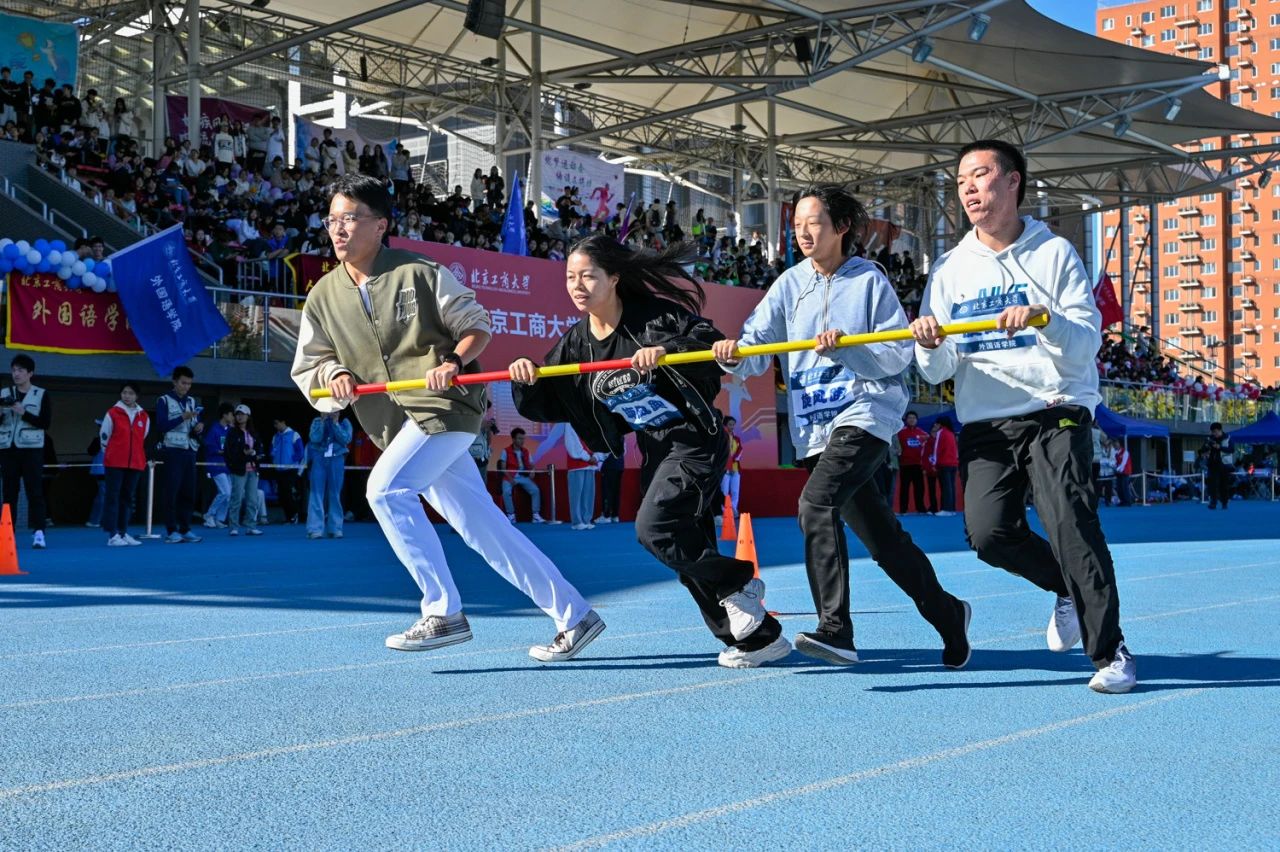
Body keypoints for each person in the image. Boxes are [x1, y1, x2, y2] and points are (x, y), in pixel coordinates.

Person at [292, 173, 604, 661]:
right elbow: (309, 364)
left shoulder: (419, 270)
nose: (338, 229)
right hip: (392, 425)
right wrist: (333, 372)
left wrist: (452, 362)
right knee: (484, 528)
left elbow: (475, 325)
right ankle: (575, 614)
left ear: (380, 225)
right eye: (332, 220)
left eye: (350, 218)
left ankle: (443, 611)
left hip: (445, 409)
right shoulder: (322, 296)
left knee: (385, 490)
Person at [908, 138, 1135, 693]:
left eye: (980, 175)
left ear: (1012, 182)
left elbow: (1084, 345)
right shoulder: (950, 268)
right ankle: (1065, 588)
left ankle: (1109, 652)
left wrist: (1042, 319)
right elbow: (938, 368)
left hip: (1054, 409)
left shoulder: (1053, 253)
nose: (967, 188)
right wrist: (928, 342)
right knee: (988, 535)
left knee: (1069, 523)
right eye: (960, 179)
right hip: (986, 420)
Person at [713, 185, 969, 669]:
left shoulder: (869, 280)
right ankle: (948, 612)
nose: (803, 232)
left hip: (866, 413)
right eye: (797, 225)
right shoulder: (788, 285)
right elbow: (756, 344)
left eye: (813, 222)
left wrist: (848, 346)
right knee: (885, 541)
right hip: (814, 427)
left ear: (841, 227)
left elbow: (897, 356)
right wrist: (735, 354)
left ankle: (836, 629)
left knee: (814, 504)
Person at [511, 234, 787, 669]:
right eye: (570, 277)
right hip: (655, 448)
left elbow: (706, 342)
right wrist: (525, 379)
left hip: (695, 438)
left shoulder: (653, 318)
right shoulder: (576, 342)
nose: (577, 285)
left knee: (653, 529)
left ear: (614, 278)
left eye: (588, 276)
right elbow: (548, 400)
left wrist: (668, 351)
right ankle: (759, 640)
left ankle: (739, 583)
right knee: (685, 546)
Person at [0, 354, 52, 549]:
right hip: (8, 448)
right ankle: (7, 534)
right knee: (8, 492)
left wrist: (24, 412)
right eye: (14, 370)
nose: (16, 374)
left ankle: (39, 533)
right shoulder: (4, 392)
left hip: (32, 449)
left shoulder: (41, 394)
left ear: (30, 373)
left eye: (21, 370)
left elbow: (45, 423)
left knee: (35, 491)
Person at [154, 366, 204, 544]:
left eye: (189, 384)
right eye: (183, 383)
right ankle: (171, 530)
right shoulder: (164, 400)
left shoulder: (191, 401)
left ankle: (185, 528)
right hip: (172, 450)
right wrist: (182, 417)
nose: (186, 387)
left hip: (189, 450)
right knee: (171, 491)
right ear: (174, 382)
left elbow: (194, 425)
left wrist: (198, 427)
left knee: (188, 491)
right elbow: (160, 426)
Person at [98, 381, 148, 547]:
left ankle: (123, 531)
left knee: (127, 498)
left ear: (137, 396)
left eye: (131, 393)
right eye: (125, 392)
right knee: (113, 497)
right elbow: (104, 436)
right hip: (115, 462)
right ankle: (112, 535)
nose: (127, 396)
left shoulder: (144, 416)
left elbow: (143, 437)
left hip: (135, 463)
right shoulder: (112, 413)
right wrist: (113, 454)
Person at [307, 410, 351, 539]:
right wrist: (322, 421)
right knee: (316, 493)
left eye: (334, 411)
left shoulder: (345, 423)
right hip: (319, 458)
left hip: (336, 459)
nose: (330, 412)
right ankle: (315, 529)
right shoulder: (316, 421)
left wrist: (335, 423)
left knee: (335, 494)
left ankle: (335, 528)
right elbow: (315, 438)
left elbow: (345, 439)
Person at [224, 404, 264, 536]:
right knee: (236, 498)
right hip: (239, 470)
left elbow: (259, 449)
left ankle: (251, 526)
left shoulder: (254, 433)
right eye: (237, 414)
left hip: (252, 469)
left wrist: (254, 453)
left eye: (242, 414)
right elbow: (229, 452)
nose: (239, 416)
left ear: (248, 416)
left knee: (252, 499)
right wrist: (241, 455)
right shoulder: (232, 432)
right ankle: (233, 526)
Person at [497, 428, 545, 524]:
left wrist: (532, 471)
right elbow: (502, 468)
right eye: (519, 438)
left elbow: (531, 464)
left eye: (523, 438)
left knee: (535, 490)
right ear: (513, 439)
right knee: (506, 492)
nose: (522, 441)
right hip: (509, 476)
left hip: (523, 477)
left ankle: (535, 515)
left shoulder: (526, 451)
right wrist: (510, 479)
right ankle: (511, 515)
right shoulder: (505, 451)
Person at [202, 403, 234, 529]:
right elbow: (209, 447)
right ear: (225, 415)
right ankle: (209, 515)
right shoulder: (214, 429)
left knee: (229, 494)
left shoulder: (230, 430)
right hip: (215, 465)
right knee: (225, 492)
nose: (233, 417)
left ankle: (219, 518)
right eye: (231, 414)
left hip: (227, 466)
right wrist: (222, 451)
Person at [271, 417, 305, 524]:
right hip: (278, 470)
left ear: (283, 421)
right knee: (281, 495)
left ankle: (295, 515)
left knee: (288, 493)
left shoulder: (294, 435)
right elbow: (272, 450)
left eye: (277, 423)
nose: (275, 426)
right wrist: (274, 458)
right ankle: (288, 517)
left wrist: (291, 460)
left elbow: (300, 452)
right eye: (274, 424)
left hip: (290, 470)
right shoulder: (275, 437)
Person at [564, 422, 596, 530]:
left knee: (588, 494)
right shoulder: (570, 422)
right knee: (576, 494)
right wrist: (587, 457)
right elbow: (572, 443)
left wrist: (596, 456)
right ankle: (577, 521)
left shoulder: (590, 420)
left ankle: (586, 519)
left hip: (590, 464)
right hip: (577, 464)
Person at [896, 411, 928, 514]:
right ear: (906, 420)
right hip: (905, 465)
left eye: (914, 418)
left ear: (917, 420)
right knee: (904, 488)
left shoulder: (923, 433)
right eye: (909, 418)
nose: (911, 419)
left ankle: (921, 508)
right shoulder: (901, 433)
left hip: (918, 465)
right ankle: (903, 509)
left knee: (919, 488)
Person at [927, 416, 959, 516]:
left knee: (946, 487)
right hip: (953, 463)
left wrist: (933, 463)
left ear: (940, 424)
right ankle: (952, 509)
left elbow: (937, 449)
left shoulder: (941, 433)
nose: (935, 425)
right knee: (951, 487)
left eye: (936, 424)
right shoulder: (951, 433)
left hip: (944, 463)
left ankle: (946, 509)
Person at [1202, 422, 1234, 510]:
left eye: (1215, 432)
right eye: (1212, 432)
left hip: (1224, 465)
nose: (1214, 434)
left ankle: (1224, 503)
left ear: (1220, 430)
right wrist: (1206, 446)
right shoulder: (1209, 439)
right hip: (1212, 464)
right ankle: (1213, 502)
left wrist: (1219, 447)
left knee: (1223, 485)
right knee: (1212, 484)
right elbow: (1202, 450)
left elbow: (1231, 450)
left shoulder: (1227, 438)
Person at [721, 415, 743, 516]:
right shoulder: (721, 438)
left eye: (733, 425)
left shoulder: (737, 439)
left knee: (735, 491)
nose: (732, 427)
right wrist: (727, 466)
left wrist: (733, 461)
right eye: (730, 424)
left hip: (735, 469)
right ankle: (723, 511)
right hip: (725, 469)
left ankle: (733, 510)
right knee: (724, 491)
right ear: (725, 425)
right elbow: (722, 454)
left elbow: (740, 451)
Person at [596, 447, 624, 525]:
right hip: (619, 464)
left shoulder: (607, 435)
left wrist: (599, 461)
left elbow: (604, 450)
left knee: (607, 491)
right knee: (616, 491)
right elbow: (624, 450)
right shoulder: (621, 435)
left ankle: (606, 515)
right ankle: (615, 515)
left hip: (609, 464)